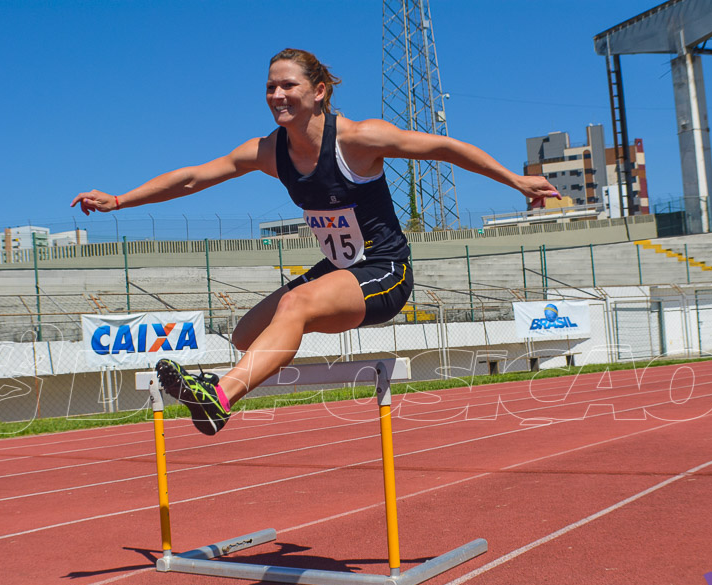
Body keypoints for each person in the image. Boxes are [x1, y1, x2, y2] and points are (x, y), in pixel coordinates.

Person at [72, 47, 559, 436]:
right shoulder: (268, 151)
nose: (277, 94)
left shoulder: (358, 139)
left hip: (386, 270)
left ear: (319, 91)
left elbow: (445, 148)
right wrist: (119, 201)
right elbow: (193, 179)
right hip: (339, 270)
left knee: (296, 306)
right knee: (246, 335)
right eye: (270, 87)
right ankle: (252, 366)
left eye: (288, 85)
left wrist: (514, 181)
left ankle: (219, 397)